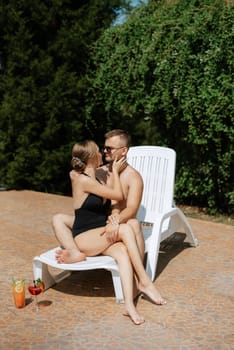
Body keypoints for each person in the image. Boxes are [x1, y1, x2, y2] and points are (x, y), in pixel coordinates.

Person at [53, 131, 166, 325]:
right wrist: (114, 222)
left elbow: (130, 208)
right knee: (127, 229)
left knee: (123, 247)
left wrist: (114, 220)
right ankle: (145, 281)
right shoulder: (97, 173)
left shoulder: (133, 178)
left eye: (108, 149)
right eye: (102, 149)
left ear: (123, 151)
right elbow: (109, 193)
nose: (104, 152)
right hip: (90, 233)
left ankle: (129, 304)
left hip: (100, 229)